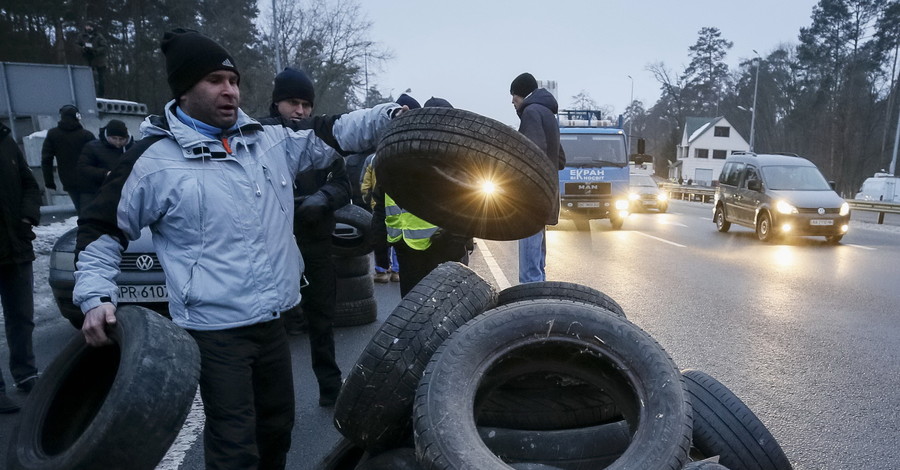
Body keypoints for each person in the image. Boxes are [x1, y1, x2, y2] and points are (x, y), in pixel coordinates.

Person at [73, 29, 404, 469]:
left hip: (271, 321)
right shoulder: (153, 160)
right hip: (214, 330)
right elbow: (99, 229)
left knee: (276, 430)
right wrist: (95, 297)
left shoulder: (268, 140)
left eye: (233, 80)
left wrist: (393, 115)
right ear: (185, 88)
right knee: (234, 444)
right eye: (214, 80)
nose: (229, 90)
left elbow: (337, 130)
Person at [267, 67, 346, 406]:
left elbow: (344, 183)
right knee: (272, 325)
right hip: (273, 246)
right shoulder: (258, 137)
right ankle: (273, 398)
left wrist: (323, 198)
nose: (299, 111)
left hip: (315, 240)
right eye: (292, 103)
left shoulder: (321, 138)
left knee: (322, 318)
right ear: (276, 103)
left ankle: (330, 387)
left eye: (305, 104)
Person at [372, 97, 470, 298]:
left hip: (442, 246)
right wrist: (379, 238)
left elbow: (469, 203)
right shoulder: (396, 158)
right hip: (406, 247)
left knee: (445, 307)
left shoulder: (456, 159)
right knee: (413, 308)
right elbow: (382, 200)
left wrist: (457, 238)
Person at [0, 122, 41, 414]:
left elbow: (29, 184)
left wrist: (27, 216)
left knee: (22, 316)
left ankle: (25, 373)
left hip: (16, 245)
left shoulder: (5, 140)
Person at [509, 72, 565, 284]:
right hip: (547, 193)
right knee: (537, 259)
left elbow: (532, 154)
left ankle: (531, 305)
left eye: (515, 98)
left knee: (529, 268)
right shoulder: (548, 114)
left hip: (530, 198)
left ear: (523, 95)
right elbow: (560, 159)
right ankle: (540, 296)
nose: (513, 103)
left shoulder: (531, 112)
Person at [362, 93, 420, 284]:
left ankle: (389, 271)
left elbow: (367, 183)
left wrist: (367, 197)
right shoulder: (380, 157)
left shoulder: (382, 155)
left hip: (407, 226)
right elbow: (370, 184)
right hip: (390, 215)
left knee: (391, 243)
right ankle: (389, 271)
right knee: (391, 243)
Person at [40, 105, 96, 215]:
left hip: (68, 180)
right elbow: (97, 155)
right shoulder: (86, 135)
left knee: (80, 209)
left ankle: (86, 228)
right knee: (89, 211)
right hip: (89, 179)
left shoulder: (53, 135)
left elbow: (46, 159)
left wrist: (49, 181)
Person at [77, 119, 133, 211]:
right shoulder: (92, 147)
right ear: (107, 136)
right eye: (114, 138)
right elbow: (83, 167)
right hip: (95, 191)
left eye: (121, 139)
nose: (118, 142)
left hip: (121, 193)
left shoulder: (132, 148)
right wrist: (105, 174)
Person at [77, 22, 108, 97]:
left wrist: (95, 50)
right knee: (88, 79)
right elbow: (76, 45)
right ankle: (88, 95)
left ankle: (100, 96)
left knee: (101, 80)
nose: (88, 28)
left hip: (99, 60)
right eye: (87, 26)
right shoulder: (82, 36)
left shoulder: (99, 36)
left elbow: (104, 47)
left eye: (90, 27)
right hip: (87, 60)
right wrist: (83, 49)